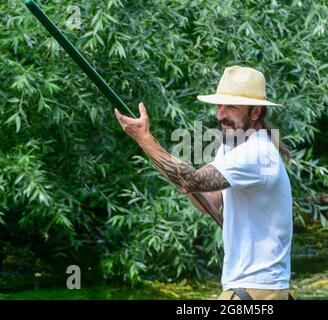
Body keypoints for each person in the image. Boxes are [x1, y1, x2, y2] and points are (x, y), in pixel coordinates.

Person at [115, 65, 293, 300]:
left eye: (231, 106)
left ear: (256, 112)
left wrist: (145, 139)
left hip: (254, 288)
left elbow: (193, 179)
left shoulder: (256, 153)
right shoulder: (231, 147)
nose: (220, 114)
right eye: (219, 105)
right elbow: (208, 201)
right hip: (254, 287)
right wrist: (184, 181)